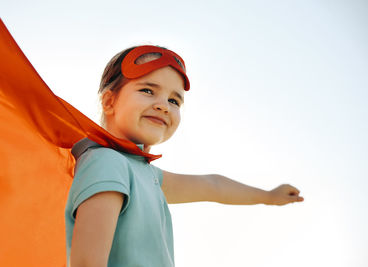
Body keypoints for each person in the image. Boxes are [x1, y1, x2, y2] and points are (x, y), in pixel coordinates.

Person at [64, 45, 304, 267]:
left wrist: (268, 196)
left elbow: (213, 185)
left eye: (173, 100)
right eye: (148, 90)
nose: (163, 105)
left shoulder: (147, 174)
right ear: (109, 101)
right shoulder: (106, 162)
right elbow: (87, 262)